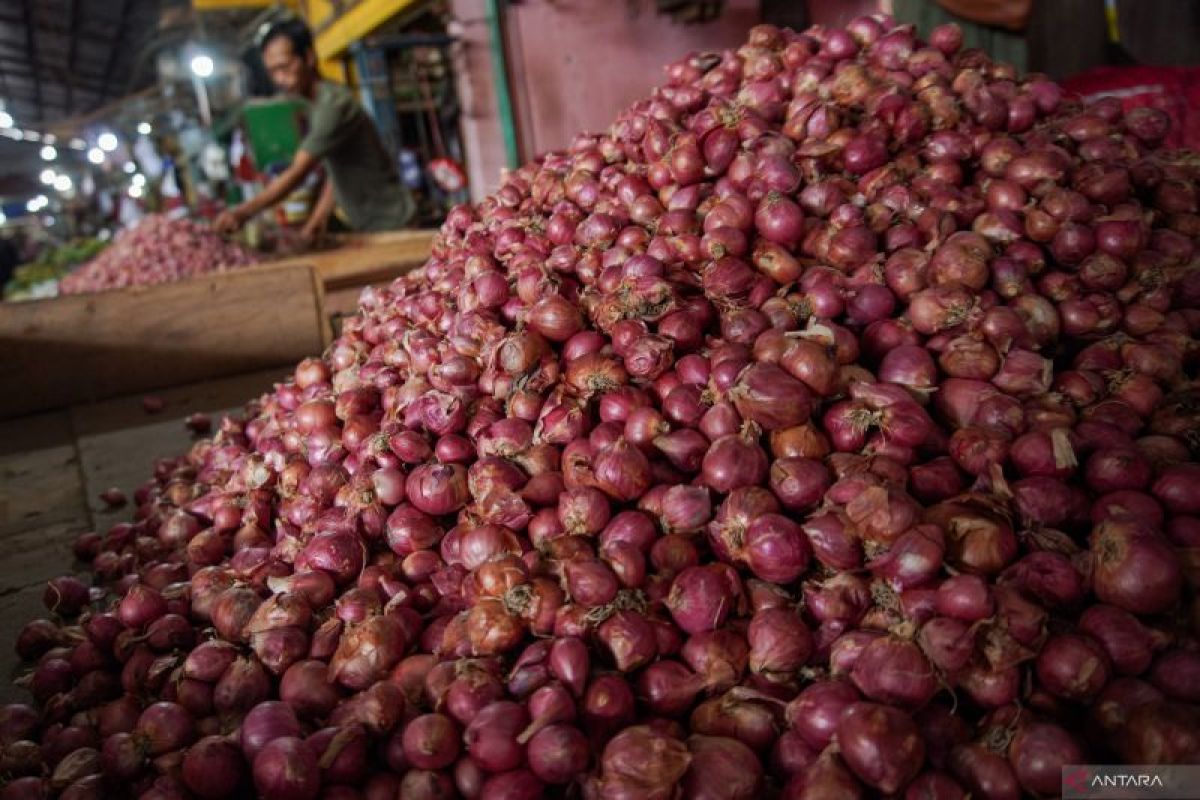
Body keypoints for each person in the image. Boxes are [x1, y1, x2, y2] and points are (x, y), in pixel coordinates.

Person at [214, 18, 415, 242]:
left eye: (285, 66)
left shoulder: (333, 106)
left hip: (392, 224)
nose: (280, 79)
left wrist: (243, 212)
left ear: (308, 58)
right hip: (370, 225)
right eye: (273, 72)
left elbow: (298, 172)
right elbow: (335, 168)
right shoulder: (315, 105)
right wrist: (319, 217)